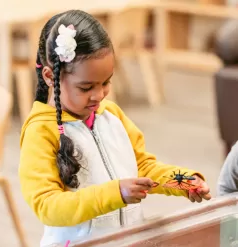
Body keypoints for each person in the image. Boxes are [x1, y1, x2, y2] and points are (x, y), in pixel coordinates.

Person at [18, 10, 211, 247]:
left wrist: (183, 181)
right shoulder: (40, 133)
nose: (98, 95)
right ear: (50, 76)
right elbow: (48, 206)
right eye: (86, 87)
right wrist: (115, 194)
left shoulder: (111, 115)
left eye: (106, 82)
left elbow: (142, 168)